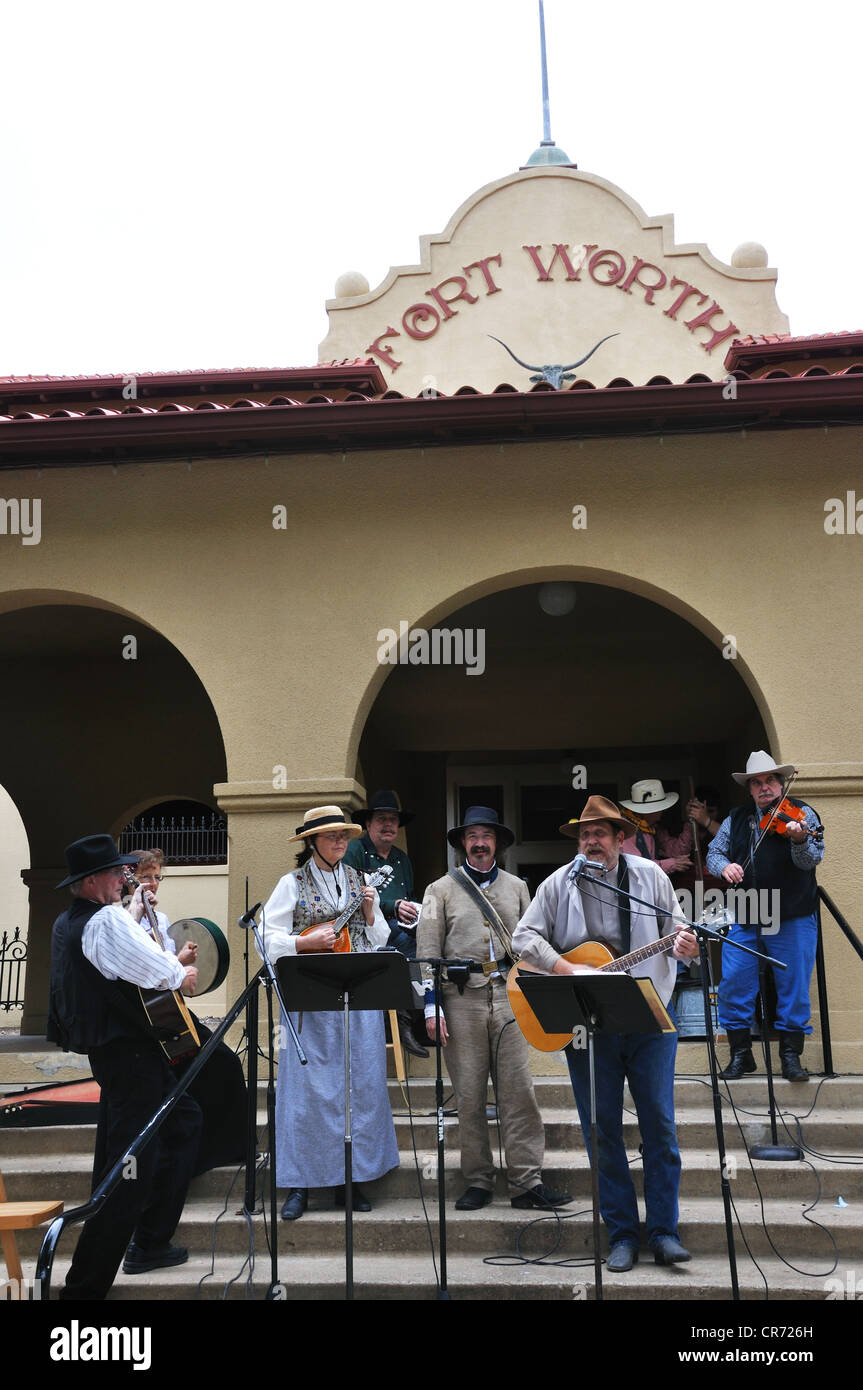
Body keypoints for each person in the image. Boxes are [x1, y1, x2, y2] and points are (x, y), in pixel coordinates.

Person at [512, 795, 699, 1272]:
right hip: (588, 1023)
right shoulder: (559, 883)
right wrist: (564, 967)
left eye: (600, 833)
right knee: (601, 1129)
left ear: (621, 838)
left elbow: (676, 931)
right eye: (584, 834)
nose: (591, 841)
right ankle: (620, 1234)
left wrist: (686, 944)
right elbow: (523, 939)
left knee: (659, 1124)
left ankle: (663, 1231)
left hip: (650, 1017)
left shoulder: (650, 877)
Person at [46, 834, 202, 1299]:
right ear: (92, 880)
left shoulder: (74, 921)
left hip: (122, 1057)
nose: (124, 878)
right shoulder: (105, 920)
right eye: (117, 873)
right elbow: (154, 967)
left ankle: (152, 1239)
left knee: (182, 1124)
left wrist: (135, 914)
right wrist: (181, 972)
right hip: (132, 1059)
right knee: (127, 1174)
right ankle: (84, 1288)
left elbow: (118, 957)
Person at [417, 806, 571, 1212]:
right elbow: (428, 955)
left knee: (518, 1093)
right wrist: (432, 1008)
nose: (480, 843)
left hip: (510, 997)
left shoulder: (519, 887)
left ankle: (526, 1181)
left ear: (498, 843)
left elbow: (534, 945)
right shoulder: (439, 890)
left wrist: (539, 996)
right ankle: (478, 1180)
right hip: (460, 999)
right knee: (468, 1096)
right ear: (462, 844)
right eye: (472, 836)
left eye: (486, 836)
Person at [258, 806, 399, 1221]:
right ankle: (300, 1183)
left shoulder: (359, 881)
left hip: (356, 999)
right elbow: (265, 936)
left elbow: (378, 940)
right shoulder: (292, 883)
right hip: (310, 1001)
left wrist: (372, 913)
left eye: (343, 835)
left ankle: (351, 1181)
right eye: (331, 835)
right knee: (306, 1094)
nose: (340, 842)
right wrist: (302, 944)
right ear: (311, 842)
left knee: (360, 1087)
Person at [706, 751, 825, 1082]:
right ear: (750, 789)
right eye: (756, 782)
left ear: (781, 782)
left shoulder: (801, 814)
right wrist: (724, 866)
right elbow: (714, 853)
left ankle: (790, 1057)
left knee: (794, 986)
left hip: (791, 914)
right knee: (734, 984)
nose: (764, 787)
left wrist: (799, 839)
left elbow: (810, 860)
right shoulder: (737, 819)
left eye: (770, 780)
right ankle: (741, 1056)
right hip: (747, 915)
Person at [129, 847, 248, 1173]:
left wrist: (185, 969)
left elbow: (172, 978)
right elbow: (134, 971)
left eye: (156, 877)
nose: (152, 884)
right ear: (128, 881)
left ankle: (228, 1148)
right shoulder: (122, 919)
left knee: (225, 1061)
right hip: (143, 1019)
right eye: (144, 877)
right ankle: (191, 1156)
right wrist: (176, 964)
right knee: (199, 1070)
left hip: (171, 1012)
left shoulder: (162, 920)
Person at [343, 788, 428, 1057]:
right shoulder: (354, 851)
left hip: (401, 927)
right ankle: (405, 1024)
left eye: (393, 819)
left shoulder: (401, 858)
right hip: (364, 929)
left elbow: (409, 896)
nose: (388, 825)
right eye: (381, 819)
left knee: (432, 943)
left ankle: (428, 1016)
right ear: (368, 824)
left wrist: (416, 910)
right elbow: (350, 895)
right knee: (406, 944)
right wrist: (393, 907)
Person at [619, 779, 692, 877]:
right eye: (660, 807)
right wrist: (670, 864)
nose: (663, 810)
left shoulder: (653, 828)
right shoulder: (627, 828)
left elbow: (677, 852)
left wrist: (690, 822)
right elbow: (636, 867)